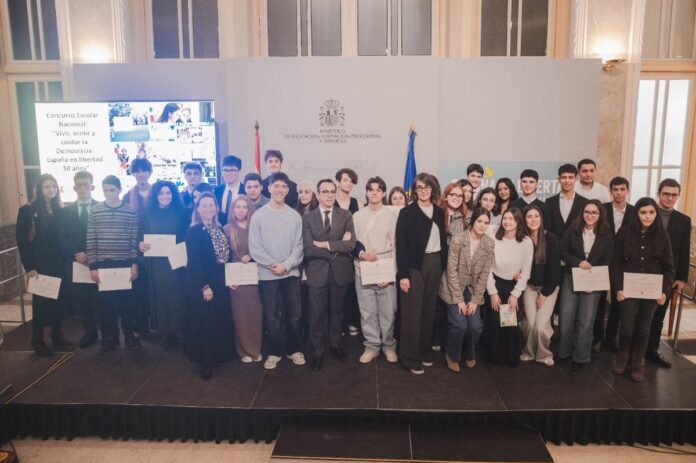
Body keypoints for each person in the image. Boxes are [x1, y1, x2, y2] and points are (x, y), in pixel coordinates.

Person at [611, 197, 674, 382]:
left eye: (651, 212)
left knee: (643, 329)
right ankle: (623, 356)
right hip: (627, 290)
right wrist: (618, 288)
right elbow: (615, 264)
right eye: (643, 212)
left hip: (652, 292)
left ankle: (638, 361)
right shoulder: (624, 233)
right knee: (627, 328)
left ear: (656, 214)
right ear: (637, 214)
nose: (648, 216)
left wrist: (664, 292)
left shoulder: (662, 236)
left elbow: (669, 267)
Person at [249, 172, 305, 370]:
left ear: (288, 190)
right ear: (269, 188)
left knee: (294, 315)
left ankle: (293, 350)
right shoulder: (258, 216)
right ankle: (274, 352)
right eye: (276, 186)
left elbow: (299, 246)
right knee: (271, 316)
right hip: (267, 275)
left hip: (291, 274)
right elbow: (255, 248)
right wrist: (274, 265)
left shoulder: (294, 215)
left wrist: (286, 265)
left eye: (283, 186)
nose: (280, 190)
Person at [395, 173, 447, 375]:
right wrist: (404, 275)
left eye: (427, 187)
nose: (423, 191)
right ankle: (409, 358)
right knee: (412, 313)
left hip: (435, 263)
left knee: (429, 310)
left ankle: (424, 352)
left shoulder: (440, 212)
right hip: (414, 266)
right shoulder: (407, 213)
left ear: (433, 189)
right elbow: (401, 245)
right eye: (419, 187)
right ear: (415, 190)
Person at [303, 179, 356, 370]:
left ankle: (335, 345)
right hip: (317, 273)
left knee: (337, 313)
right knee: (316, 314)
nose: (330, 195)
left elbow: (350, 245)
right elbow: (309, 248)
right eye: (325, 192)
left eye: (332, 191)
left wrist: (324, 244)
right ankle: (318, 351)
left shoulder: (345, 215)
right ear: (317, 195)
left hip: (340, 272)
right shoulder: (308, 217)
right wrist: (336, 248)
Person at [17, 174, 70, 356]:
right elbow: (22, 242)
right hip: (40, 265)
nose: (51, 190)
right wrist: (29, 267)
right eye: (47, 187)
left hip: (58, 263)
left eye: (54, 186)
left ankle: (57, 334)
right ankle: (37, 339)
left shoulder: (59, 209)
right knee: (41, 304)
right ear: (39, 189)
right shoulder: (27, 210)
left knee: (59, 302)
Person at [86, 175, 140, 353]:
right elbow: (91, 240)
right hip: (104, 264)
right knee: (106, 306)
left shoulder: (131, 211)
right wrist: (93, 267)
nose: (109, 194)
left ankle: (129, 336)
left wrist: (134, 264)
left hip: (124, 263)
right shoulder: (95, 211)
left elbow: (134, 240)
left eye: (112, 190)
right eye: (106, 190)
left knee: (128, 305)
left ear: (120, 190)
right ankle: (110, 338)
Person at [184, 192, 235, 379]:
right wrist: (204, 286)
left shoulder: (219, 228)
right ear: (197, 209)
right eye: (204, 205)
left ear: (216, 208)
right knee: (205, 323)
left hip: (220, 280)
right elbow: (195, 262)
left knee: (218, 319)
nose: (208, 209)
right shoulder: (194, 231)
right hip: (204, 283)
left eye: (211, 205)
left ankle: (217, 356)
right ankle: (206, 363)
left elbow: (226, 256)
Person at [558, 200, 613, 371]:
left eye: (594, 212)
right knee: (566, 317)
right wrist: (578, 262)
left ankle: (581, 357)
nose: (590, 215)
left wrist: (593, 279)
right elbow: (562, 251)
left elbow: (607, 259)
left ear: (600, 215)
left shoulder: (606, 234)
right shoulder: (572, 230)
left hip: (593, 279)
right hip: (571, 277)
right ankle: (563, 352)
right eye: (587, 212)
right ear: (582, 213)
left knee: (586, 320)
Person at [440, 207, 494, 372]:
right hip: (453, 287)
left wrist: (475, 300)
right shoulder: (458, 239)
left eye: (486, 222)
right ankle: (452, 355)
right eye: (479, 221)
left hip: (472, 290)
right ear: (472, 221)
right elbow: (451, 271)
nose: (482, 225)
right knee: (460, 325)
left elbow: (484, 274)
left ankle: (470, 353)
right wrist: (459, 300)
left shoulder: (489, 243)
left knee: (475, 326)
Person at [646, 179, 691, 369]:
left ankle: (652, 349)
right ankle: (635, 349)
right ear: (658, 194)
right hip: (644, 273)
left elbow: (684, 250)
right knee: (639, 314)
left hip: (668, 276)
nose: (670, 198)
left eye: (674, 195)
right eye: (666, 194)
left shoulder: (683, 220)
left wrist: (681, 277)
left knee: (659, 315)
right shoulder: (646, 213)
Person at [353, 177, 399, 364]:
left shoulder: (391, 216)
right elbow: (353, 243)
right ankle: (371, 346)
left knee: (388, 313)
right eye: (371, 189)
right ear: (366, 192)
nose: (374, 193)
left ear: (383, 193)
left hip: (385, 266)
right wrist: (362, 255)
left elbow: (396, 246)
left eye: (378, 190)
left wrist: (391, 273)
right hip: (363, 268)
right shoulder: (357, 216)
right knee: (367, 312)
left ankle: (388, 346)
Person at [138, 180, 187, 350]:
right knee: (161, 296)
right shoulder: (146, 213)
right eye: (161, 193)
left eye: (168, 193)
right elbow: (140, 235)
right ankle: (166, 333)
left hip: (176, 260)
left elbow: (185, 235)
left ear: (173, 194)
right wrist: (140, 244)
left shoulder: (182, 212)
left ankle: (179, 330)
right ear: (155, 195)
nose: (165, 196)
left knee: (176, 295)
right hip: (156, 263)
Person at [483, 208, 533, 366]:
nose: (507, 222)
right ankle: (492, 355)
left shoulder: (526, 242)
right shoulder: (493, 238)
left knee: (509, 321)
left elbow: (526, 272)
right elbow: (487, 268)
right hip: (495, 283)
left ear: (518, 222)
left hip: (513, 286)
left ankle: (510, 355)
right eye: (505, 218)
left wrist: (515, 294)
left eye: (512, 219)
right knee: (493, 321)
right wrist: (492, 292)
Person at [61, 171, 100, 349]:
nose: (83, 188)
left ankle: (108, 334)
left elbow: (105, 234)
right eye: (79, 185)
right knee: (83, 300)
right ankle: (90, 332)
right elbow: (62, 237)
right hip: (77, 263)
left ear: (92, 187)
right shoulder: (66, 211)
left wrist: (90, 254)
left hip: (98, 261)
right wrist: (76, 254)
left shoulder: (101, 208)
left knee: (101, 300)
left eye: (86, 185)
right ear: (74, 188)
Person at [595, 176, 634, 352]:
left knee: (618, 301)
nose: (619, 193)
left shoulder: (634, 211)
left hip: (624, 263)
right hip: (602, 261)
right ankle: (598, 337)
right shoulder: (601, 209)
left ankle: (611, 337)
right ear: (611, 191)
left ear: (627, 191)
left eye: (622, 189)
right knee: (599, 301)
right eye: (615, 190)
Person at [520, 205, 561, 366]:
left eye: (536, 216)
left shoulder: (551, 238)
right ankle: (528, 352)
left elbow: (555, 271)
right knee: (530, 324)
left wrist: (543, 295)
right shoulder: (522, 239)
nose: (533, 220)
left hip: (548, 289)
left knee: (541, 326)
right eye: (529, 216)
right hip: (529, 287)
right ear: (524, 220)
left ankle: (544, 354)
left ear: (541, 218)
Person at [223, 196, 263, 363]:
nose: (241, 210)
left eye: (244, 207)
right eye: (237, 207)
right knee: (240, 315)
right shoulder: (227, 229)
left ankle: (256, 349)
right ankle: (244, 350)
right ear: (233, 209)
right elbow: (224, 257)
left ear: (249, 209)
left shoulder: (256, 226)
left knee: (255, 313)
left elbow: (263, 249)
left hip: (254, 276)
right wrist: (229, 278)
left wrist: (252, 256)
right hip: (236, 278)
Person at [431, 182, 469, 351]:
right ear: (446, 197)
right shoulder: (437, 214)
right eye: (453, 195)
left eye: (460, 196)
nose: (456, 198)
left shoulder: (464, 218)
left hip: (454, 269)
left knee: (450, 308)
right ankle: (435, 338)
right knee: (436, 306)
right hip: (437, 264)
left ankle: (447, 341)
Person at [124, 157, 153, 337]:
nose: (141, 174)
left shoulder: (158, 192)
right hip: (137, 250)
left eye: (144, 170)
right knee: (140, 291)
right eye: (137, 171)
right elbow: (126, 226)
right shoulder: (128, 196)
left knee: (156, 289)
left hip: (158, 248)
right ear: (133, 173)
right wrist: (137, 244)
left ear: (149, 172)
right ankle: (142, 327)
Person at [334, 168, 361, 336]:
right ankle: (339, 325)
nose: (349, 183)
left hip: (352, 251)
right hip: (335, 253)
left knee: (352, 289)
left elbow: (360, 229)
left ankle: (351, 321)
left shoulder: (358, 203)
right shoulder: (331, 201)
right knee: (337, 291)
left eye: (351, 181)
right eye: (345, 180)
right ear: (337, 182)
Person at [546, 164, 588, 241]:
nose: (567, 181)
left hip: (576, 245)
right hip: (554, 245)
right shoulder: (549, 202)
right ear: (559, 179)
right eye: (564, 177)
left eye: (570, 177)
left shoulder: (584, 202)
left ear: (576, 179)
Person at [214, 155, 245, 225]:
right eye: (225, 170)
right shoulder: (217, 190)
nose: (229, 173)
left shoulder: (245, 190)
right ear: (221, 172)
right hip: (220, 228)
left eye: (232, 170)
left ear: (239, 171)